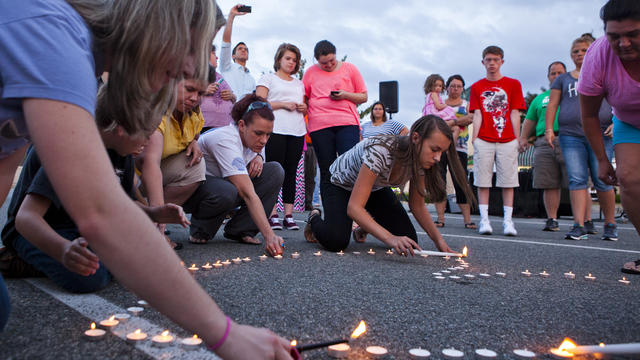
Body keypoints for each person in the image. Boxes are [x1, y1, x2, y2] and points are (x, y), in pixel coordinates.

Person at [0, 0, 293, 356]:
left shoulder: (70, 54)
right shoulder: (57, 40)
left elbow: (6, 164)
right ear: (159, 27)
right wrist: (224, 334)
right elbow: (100, 213)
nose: (190, 68)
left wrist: (151, 215)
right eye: (190, 48)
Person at [2, 93, 190, 293]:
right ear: (121, 128)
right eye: (146, 134)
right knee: (91, 276)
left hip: (85, 226)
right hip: (39, 229)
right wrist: (62, 249)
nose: (147, 143)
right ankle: (18, 259)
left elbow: (122, 202)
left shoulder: (122, 150)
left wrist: (154, 213)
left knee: (149, 256)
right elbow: (26, 218)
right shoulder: (70, 146)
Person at [304, 115, 475, 254]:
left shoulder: (422, 162)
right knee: (337, 241)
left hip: (374, 188)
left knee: (408, 240)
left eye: (441, 152)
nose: (438, 158)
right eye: (434, 149)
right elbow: (354, 207)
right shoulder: (381, 150)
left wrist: (439, 241)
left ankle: (366, 226)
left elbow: (417, 205)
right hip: (338, 183)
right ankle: (314, 220)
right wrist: (389, 238)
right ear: (415, 138)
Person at [579, 0, 640, 272]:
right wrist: (602, 160)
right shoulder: (598, 56)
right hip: (628, 121)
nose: (624, 43)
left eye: (633, 34)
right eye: (615, 36)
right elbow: (590, 115)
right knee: (629, 179)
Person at [545, 34, 617, 241]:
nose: (579, 54)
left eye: (584, 50)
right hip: (570, 135)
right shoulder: (563, 79)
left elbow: (617, 99)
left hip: (601, 133)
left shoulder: (604, 73)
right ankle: (578, 225)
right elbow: (552, 105)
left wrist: (615, 122)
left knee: (602, 178)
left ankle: (610, 223)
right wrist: (549, 129)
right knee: (576, 179)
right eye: (575, 51)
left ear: (593, 51)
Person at [198, 94, 285, 255]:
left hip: (224, 186)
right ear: (242, 125)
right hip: (200, 190)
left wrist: (259, 156)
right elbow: (247, 192)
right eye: (259, 133)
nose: (264, 140)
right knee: (228, 189)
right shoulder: (225, 139)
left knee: (274, 171)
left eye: (268, 134)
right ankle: (200, 229)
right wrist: (270, 235)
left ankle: (241, 229)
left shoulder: (255, 138)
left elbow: (259, 151)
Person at [137, 77, 211, 245]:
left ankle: (149, 221)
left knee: (196, 164)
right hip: (131, 177)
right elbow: (149, 162)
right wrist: (158, 214)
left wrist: (194, 142)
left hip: (156, 173)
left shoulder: (193, 113)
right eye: (189, 89)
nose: (194, 98)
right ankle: (151, 224)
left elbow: (195, 133)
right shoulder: (157, 112)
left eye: (200, 93)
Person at [303, 40, 367, 210]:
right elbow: (305, 97)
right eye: (324, 63)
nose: (329, 65)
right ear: (317, 60)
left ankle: (354, 210)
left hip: (347, 123)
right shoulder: (310, 73)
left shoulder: (350, 68)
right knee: (327, 170)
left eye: (332, 60)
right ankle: (332, 211)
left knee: (350, 167)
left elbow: (363, 96)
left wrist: (345, 94)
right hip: (320, 126)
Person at [470, 45, 526, 236]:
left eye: (495, 59)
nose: (492, 63)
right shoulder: (477, 87)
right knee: (483, 180)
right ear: (483, 62)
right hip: (484, 139)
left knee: (508, 181)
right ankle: (484, 220)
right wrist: (474, 138)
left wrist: (518, 138)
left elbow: (515, 112)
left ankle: (508, 222)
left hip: (507, 138)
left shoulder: (513, 84)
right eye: (488, 60)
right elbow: (477, 113)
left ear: (502, 61)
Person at [256, 43, 307, 231]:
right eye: (288, 58)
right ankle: (272, 213)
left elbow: (303, 104)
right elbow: (260, 101)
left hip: (297, 131)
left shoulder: (299, 83)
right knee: (275, 172)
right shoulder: (268, 78)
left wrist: (303, 108)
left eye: (295, 60)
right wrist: (283, 104)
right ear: (279, 59)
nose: (291, 63)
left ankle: (288, 215)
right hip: (275, 129)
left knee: (291, 173)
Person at [518, 62, 568, 232]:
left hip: (571, 139)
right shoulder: (540, 99)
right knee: (549, 183)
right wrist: (523, 138)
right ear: (548, 77)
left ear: (566, 74)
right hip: (544, 142)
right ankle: (552, 219)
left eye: (560, 73)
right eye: (553, 73)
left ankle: (584, 221)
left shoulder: (574, 94)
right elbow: (530, 120)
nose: (556, 76)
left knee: (578, 182)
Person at [433, 75, 476, 229]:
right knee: (439, 181)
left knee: (461, 181)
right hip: (440, 147)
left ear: (463, 88)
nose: (455, 89)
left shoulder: (466, 104)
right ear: (447, 87)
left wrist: (453, 122)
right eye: (452, 86)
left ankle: (467, 219)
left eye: (458, 86)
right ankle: (440, 218)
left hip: (460, 148)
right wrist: (458, 120)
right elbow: (434, 121)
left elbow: (471, 117)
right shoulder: (440, 104)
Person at [219, 4, 256, 100]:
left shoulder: (252, 79)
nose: (243, 50)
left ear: (248, 57)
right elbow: (226, 43)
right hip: (227, 111)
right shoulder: (226, 66)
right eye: (240, 48)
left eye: (246, 49)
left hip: (245, 114)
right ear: (233, 56)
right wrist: (231, 16)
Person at [201, 46, 236, 132]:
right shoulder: (196, 74)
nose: (217, 57)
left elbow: (234, 98)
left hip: (226, 127)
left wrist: (231, 96)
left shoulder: (219, 76)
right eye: (213, 53)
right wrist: (203, 90)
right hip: (204, 127)